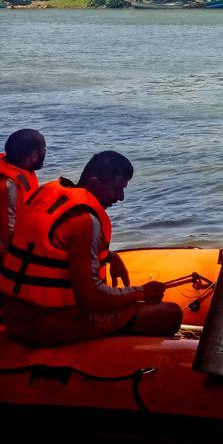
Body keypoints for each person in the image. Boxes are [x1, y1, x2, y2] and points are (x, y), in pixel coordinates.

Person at [0, 151, 182, 346]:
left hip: (13, 314)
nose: (120, 197)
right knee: (169, 314)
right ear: (95, 183)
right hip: (46, 326)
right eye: (116, 189)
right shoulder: (86, 220)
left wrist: (110, 256)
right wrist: (142, 293)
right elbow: (91, 299)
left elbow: (46, 244)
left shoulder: (45, 194)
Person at [1, 129, 44, 253]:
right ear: (34, 156)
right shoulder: (9, 185)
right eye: (44, 149)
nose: (45, 153)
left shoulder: (19, 166)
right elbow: (8, 232)